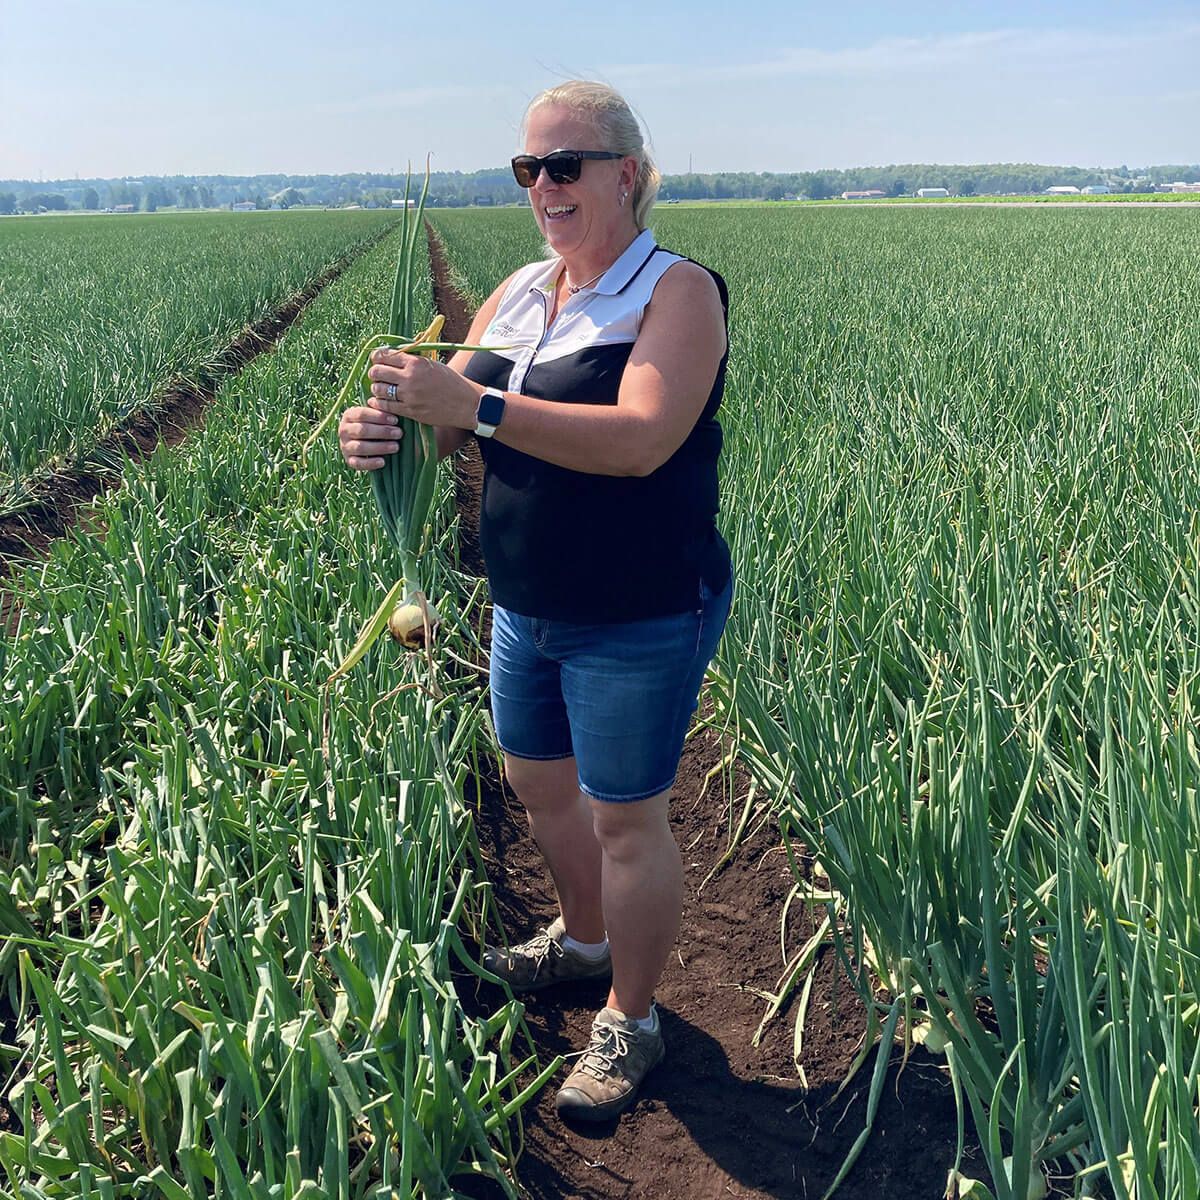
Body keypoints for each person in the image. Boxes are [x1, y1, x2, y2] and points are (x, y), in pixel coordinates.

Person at [337, 80, 732, 1122]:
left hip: (636, 607)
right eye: (529, 168)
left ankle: (632, 1020)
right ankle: (584, 940)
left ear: (629, 175)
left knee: (626, 819)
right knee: (536, 782)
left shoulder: (675, 293)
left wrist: (477, 404)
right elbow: (443, 428)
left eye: (566, 165)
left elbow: (644, 438)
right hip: (527, 604)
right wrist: (387, 438)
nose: (543, 187)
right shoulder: (520, 291)